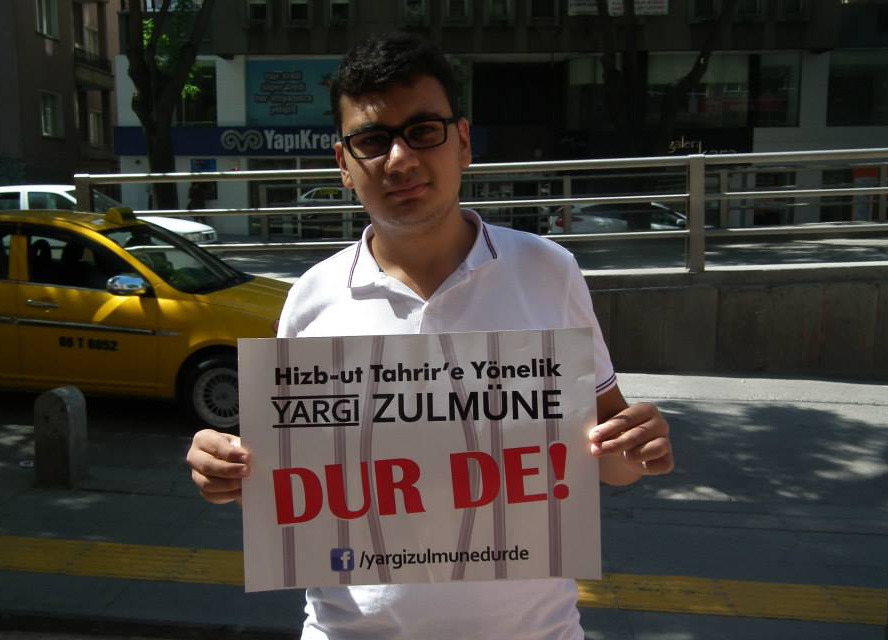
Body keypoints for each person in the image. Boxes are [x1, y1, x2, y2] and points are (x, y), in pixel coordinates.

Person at [186, 32, 674, 639]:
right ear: (343, 164)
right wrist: (226, 472)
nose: (399, 160)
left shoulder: (549, 271)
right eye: (372, 140)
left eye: (423, 131)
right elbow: (282, 483)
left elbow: (610, 462)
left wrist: (639, 447)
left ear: (462, 141)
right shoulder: (310, 300)